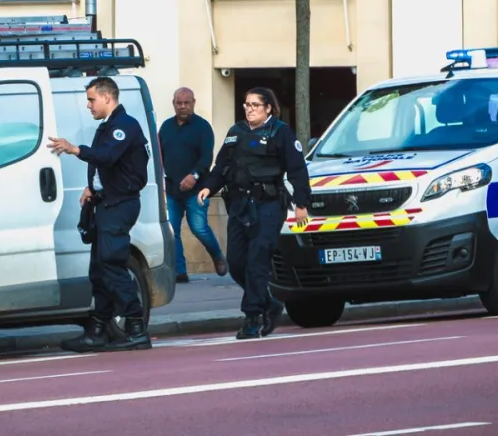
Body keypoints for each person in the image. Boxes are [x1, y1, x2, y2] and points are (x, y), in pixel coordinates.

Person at [47, 76, 152, 352]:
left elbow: (106, 156)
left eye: (92, 100)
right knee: (99, 269)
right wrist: (91, 187)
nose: (89, 105)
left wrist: (74, 149)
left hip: (120, 205)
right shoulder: (108, 126)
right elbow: (107, 165)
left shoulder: (124, 126)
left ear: (107, 97)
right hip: (105, 204)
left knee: (112, 265)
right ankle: (98, 330)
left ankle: (136, 327)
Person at [198, 87, 311, 340]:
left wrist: (302, 203)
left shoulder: (280, 132)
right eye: (246, 104)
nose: (249, 109)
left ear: (268, 108)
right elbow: (222, 166)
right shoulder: (235, 132)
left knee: (257, 261)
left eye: (255, 105)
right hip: (240, 205)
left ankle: (253, 317)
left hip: (268, 205)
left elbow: (297, 169)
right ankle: (269, 304)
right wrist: (208, 186)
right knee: (236, 263)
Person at [159, 87, 226, 282]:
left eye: (186, 103)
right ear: (173, 104)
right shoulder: (166, 127)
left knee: (199, 228)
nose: (182, 106)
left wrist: (193, 176)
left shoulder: (203, 127)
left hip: (196, 191)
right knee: (172, 231)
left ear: (193, 103)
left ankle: (216, 255)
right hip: (171, 190)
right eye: (179, 103)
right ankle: (179, 271)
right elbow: (160, 156)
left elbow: (207, 158)